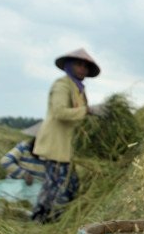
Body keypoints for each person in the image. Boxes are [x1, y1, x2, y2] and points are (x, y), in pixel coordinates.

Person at [31, 47, 100, 223]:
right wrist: (88, 110)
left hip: (66, 146)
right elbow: (59, 112)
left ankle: (55, 218)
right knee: (54, 186)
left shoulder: (78, 89)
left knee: (70, 184)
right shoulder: (62, 85)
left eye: (86, 66)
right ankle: (41, 219)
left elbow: (80, 113)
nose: (83, 69)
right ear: (69, 65)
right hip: (56, 145)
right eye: (79, 65)